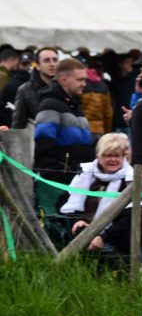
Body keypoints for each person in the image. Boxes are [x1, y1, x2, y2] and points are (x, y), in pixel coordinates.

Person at [52, 133, 134, 254]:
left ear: (124, 157)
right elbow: (63, 202)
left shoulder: (129, 179)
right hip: (81, 231)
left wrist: (103, 236)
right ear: (99, 157)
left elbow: (130, 217)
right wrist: (77, 220)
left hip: (115, 238)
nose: (113, 159)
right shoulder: (85, 174)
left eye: (117, 155)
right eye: (107, 155)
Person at [33, 58, 95, 213]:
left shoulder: (76, 107)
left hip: (77, 180)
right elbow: (43, 143)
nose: (84, 83)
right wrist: (53, 175)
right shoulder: (50, 105)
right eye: (80, 79)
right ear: (64, 80)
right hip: (58, 182)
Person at [12, 46, 59, 129]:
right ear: (37, 66)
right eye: (46, 60)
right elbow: (18, 125)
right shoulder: (25, 90)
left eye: (55, 60)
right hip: (38, 139)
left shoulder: (65, 87)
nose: (52, 64)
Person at [80, 57, 113, 137]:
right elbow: (108, 114)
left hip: (82, 128)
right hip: (99, 129)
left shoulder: (79, 85)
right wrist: (107, 132)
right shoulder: (104, 87)